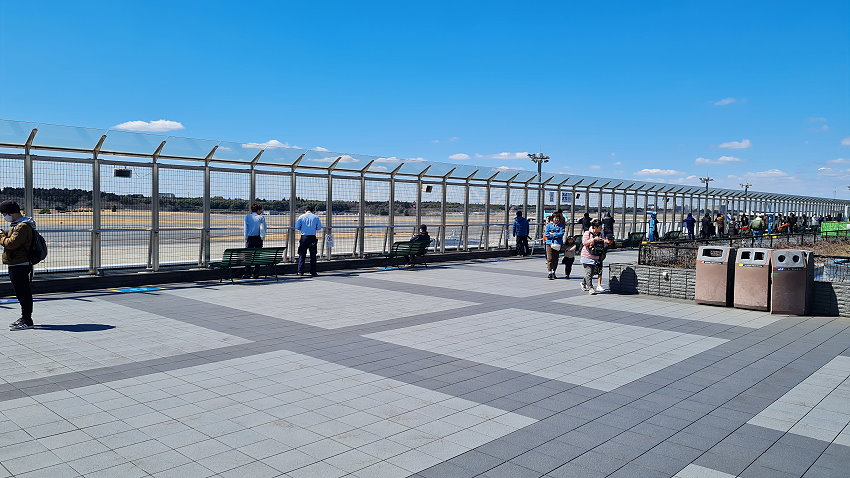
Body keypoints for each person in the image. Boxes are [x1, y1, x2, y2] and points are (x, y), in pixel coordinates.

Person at [0, 201, 36, 330]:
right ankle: (25, 317)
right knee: (21, 292)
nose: (4, 217)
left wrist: (1, 237)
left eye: (4, 214)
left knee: (23, 292)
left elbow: (11, 244)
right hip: (17, 262)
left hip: (20, 263)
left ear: (10, 213)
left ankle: (27, 319)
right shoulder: (18, 225)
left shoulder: (22, 226)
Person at [581, 219, 610, 294]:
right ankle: (590, 288)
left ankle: (584, 283)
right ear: (595, 227)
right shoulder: (587, 233)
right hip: (587, 256)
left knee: (592, 272)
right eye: (600, 227)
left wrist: (604, 241)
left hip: (596, 256)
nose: (601, 228)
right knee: (589, 272)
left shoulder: (600, 234)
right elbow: (584, 243)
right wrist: (593, 239)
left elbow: (603, 241)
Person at [295, 206, 322, 276]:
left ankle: (300, 271)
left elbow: (297, 227)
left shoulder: (301, 217)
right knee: (313, 255)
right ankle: (313, 271)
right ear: (312, 210)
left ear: (305, 210)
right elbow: (319, 227)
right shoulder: (316, 217)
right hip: (312, 237)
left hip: (304, 237)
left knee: (302, 254)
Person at [243, 203, 267, 278]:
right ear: (258, 210)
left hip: (250, 238)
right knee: (257, 256)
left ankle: (247, 272)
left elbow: (245, 229)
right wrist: (262, 237)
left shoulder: (247, 217)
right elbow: (263, 228)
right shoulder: (261, 218)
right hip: (258, 238)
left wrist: (246, 237)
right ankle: (256, 272)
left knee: (248, 256)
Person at [544, 214, 565, 280]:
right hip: (549, 243)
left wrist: (553, 234)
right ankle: (550, 272)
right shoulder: (548, 225)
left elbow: (561, 233)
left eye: (557, 218)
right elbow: (546, 234)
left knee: (555, 258)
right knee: (549, 258)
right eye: (555, 218)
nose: (556, 219)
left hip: (557, 244)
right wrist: (556, 235)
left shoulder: (561, 226)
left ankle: (554, 271)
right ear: (552, 218)